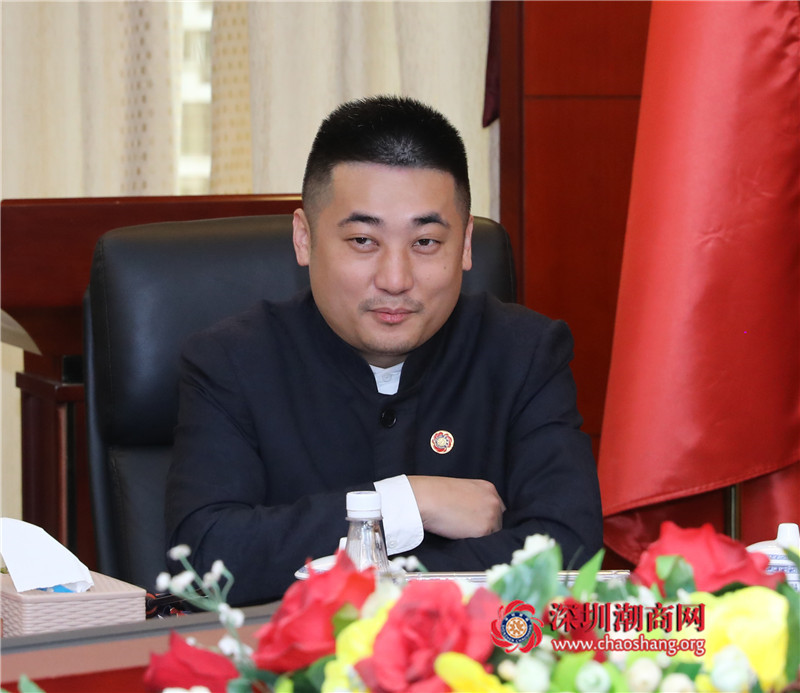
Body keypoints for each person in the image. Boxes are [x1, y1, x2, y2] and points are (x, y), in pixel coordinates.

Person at [166, 95, 602, 605]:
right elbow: (205, 556)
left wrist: (360, 571)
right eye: (363, 241)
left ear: (465, 245)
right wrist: (402, 505)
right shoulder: (231, 362)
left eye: (425, 243)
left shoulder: (525, 355)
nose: (395, 280)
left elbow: (569, 551)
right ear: (304, 238)